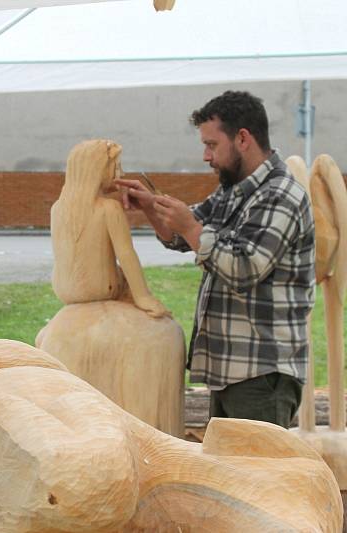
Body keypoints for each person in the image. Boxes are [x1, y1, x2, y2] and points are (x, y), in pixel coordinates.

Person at [115, 90, 315, 429]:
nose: (206, 156)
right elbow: (181, 236)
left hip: (261, 376)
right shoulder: (232, 189)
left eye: (211, 145)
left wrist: (191, 227)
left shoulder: (281, 195)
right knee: (227, 478)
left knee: (253, 480)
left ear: (242, 138)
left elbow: (243, 269)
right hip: (231, 372)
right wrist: (150, 206)